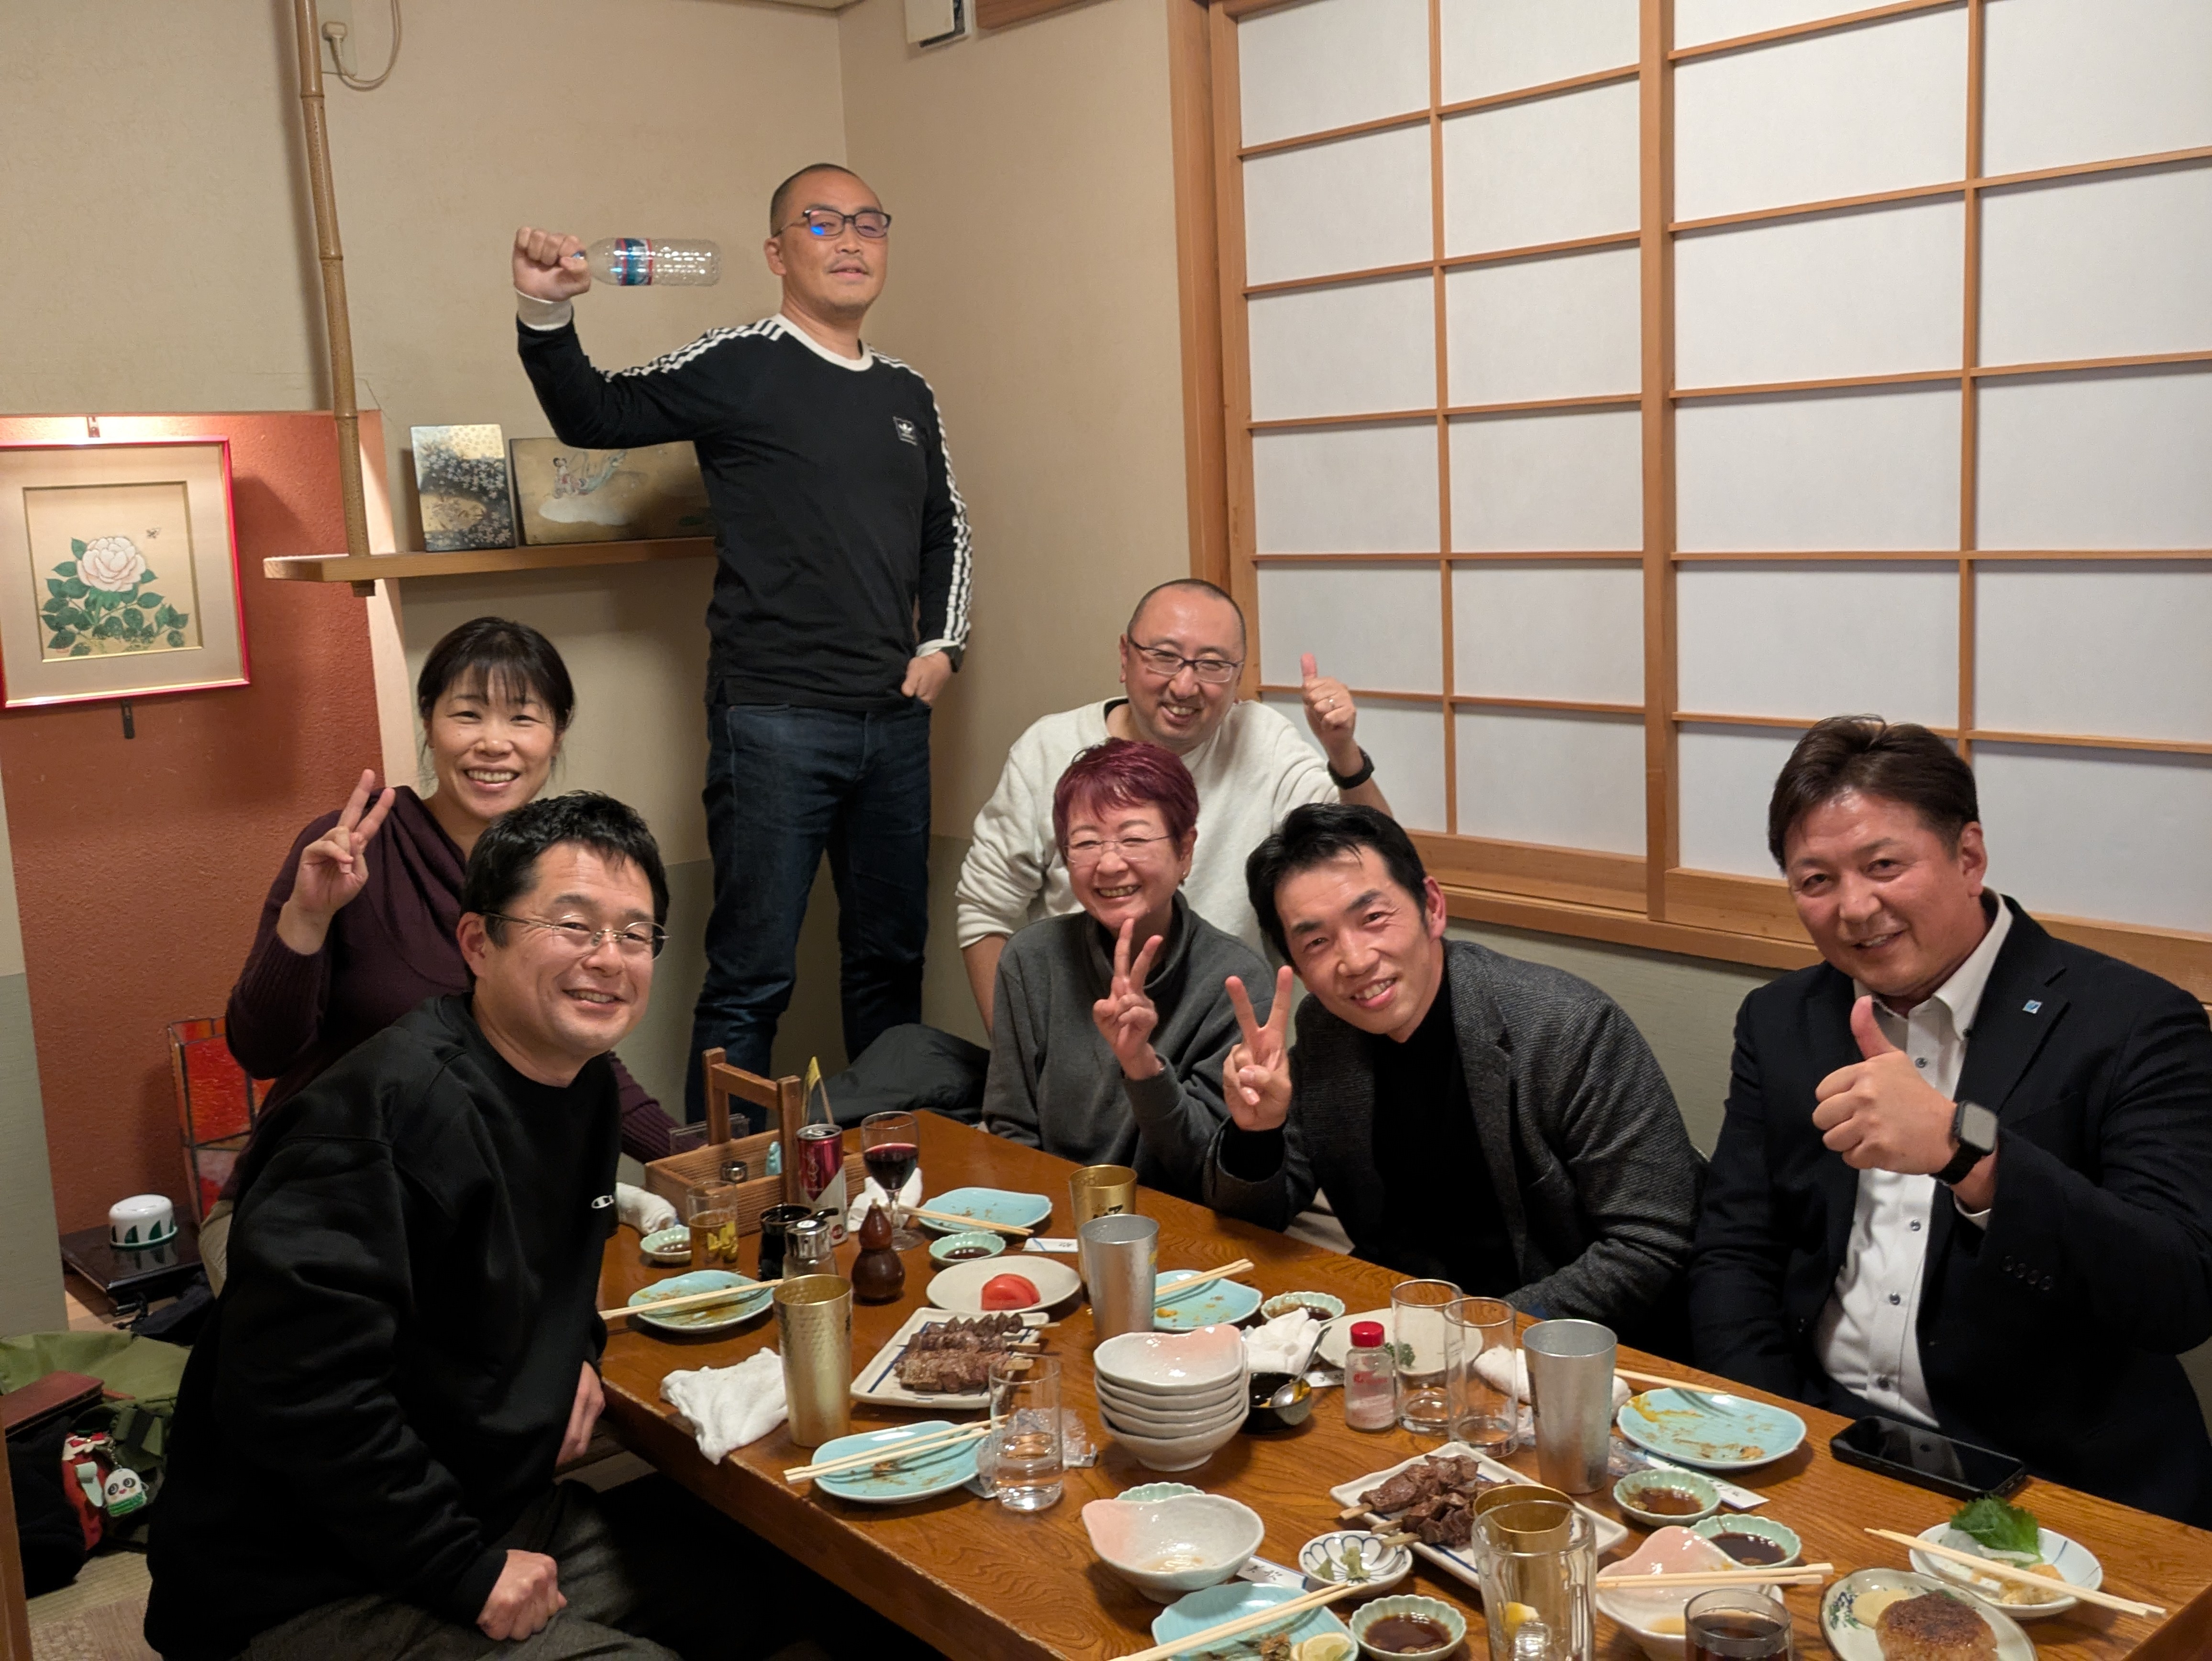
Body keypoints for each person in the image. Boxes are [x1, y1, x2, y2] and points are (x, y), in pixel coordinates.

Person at [148, 793, 679, 1659]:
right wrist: (461, 1570)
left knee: (765, 1579)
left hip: (477, 1502)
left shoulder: (579, 1085)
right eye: (573, 926)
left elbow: (553, 1262)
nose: (608, 959)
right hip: (302, 1576)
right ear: (476, 942)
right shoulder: (382, 1118)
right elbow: (298, 1395)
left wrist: (577, 1351)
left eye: (634, 934)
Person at [512, 163, 969, 1120]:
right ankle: (724, 1181)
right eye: (822, 223)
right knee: (752, 973)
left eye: (868, 223)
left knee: (889, 962)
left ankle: (882, 1169)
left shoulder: (907, 391)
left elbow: (946, 526)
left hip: (893, 719)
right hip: (772, 717)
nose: (850, 241)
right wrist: (547, 315)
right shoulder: (743, 360)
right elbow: (597, 413)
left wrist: (941, 644)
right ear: (777, 252)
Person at [1689, 716, 2212, 1525]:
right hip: (1825, 1433)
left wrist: (1965, 1152)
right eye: (1815, 880)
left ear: (1968, 857)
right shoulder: (1782, 1018)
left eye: (1884, 866)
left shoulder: (2133, 1022)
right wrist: (1769, 1428)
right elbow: (1735, 1247)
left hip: (2048, 1478)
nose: (1854, 908)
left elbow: (2178, 1292)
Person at [210, 618, 669, 1291]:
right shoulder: (354, 847)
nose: (494, 743)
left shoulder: (552, 870)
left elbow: (577, 1040)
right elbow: (262, 1052)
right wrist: (308, 916)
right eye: (467, 713)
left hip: (469, 1204)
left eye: (523, 718)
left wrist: (697, 1157)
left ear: (556, 735)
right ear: (428, 722)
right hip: (315, 1205)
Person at [1203, 804, 1702, 1345]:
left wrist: (1476, 1332)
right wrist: (1258, 1134)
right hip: (1404, 1328)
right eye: (1317, 942)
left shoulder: (1566, 1028)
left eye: (1373, 918)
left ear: (1433, 908)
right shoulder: (1328, 1031)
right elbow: (1257, 1220)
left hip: (1561, 1342)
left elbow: (1649, 1242)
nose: (1355, 960)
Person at [957, 577, 1387, 1029]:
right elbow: (983, 910)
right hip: (1078, 1033)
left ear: (1238, 678)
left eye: (1212, 665)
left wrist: (1343, 754)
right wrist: (1020, 1053)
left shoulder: (1263, 742)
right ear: (1125, 657)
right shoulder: (1049, 749)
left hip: (1223, 1037)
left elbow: (1371, 861)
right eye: (1164, 657)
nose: (1184, 686)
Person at [982, 740, 1271, 1201]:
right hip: (1051, 1212)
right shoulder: (1031, 959)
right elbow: (1011, 1131)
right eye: (1086, 842)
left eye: (1134, 839)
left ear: (1185, 850)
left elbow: (1208, 1166)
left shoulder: (1235, 980)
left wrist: (1143, 1066)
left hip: (1176, 1224)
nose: (1110, 863)